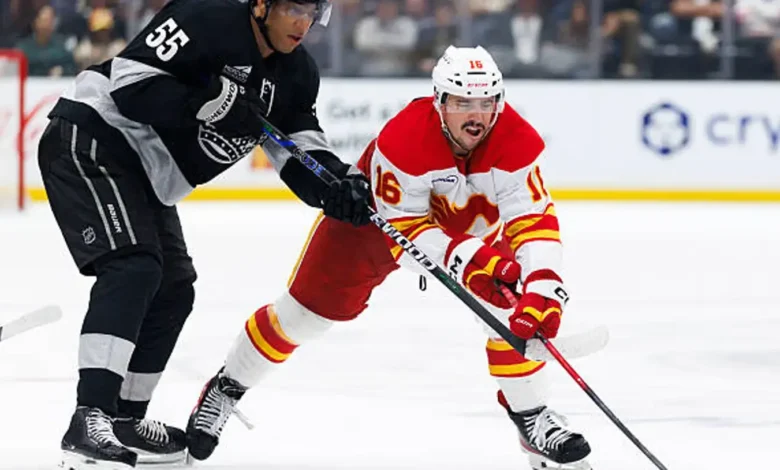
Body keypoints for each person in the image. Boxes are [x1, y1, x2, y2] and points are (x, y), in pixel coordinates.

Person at [185, 45, 593, 470]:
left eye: (487, 102)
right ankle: (227, 386)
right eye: (462, 103)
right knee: (302, 316)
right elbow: (407, 234)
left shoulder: (516, 140)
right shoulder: (405, 139)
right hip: (375, 223)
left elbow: (533, 219)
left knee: (515, 307)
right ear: (440, 102)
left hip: (473, 227)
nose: (477, 115)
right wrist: (468, 261)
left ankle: (531, 419)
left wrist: (545, 286)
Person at [38, 0, 371, 469]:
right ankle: (89, 416)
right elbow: (130, 83)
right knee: (134, 268)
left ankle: (124, 420)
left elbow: (300, 151)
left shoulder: (297, 74)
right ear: (262, 4)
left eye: (312, 13)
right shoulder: (204, 18)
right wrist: (209, 103)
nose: (304, 23)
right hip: (96, 137)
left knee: (175, 287)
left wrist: (339, 186)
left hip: (148, 177)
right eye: (294, 8)